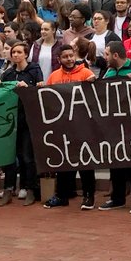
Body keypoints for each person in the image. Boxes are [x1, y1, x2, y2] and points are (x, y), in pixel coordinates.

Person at [95, 41, 131, 213]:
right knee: (115, 160)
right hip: (113, 124)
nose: (104, 58)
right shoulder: (109, 72)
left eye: (106, 54)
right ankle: (117, 198)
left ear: (115, 55)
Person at [43, 45, 98, 210]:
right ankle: (61, 196)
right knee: (63, 162)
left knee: (85, 162)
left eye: (71, 55)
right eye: (65, 56)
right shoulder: (53, 77)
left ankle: (89, 196)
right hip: (63, 127)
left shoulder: (86, 74)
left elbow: (96, 98)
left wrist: (93, 83)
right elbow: (47, 100)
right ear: (59, 59)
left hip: (83, 127)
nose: (69, 59)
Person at [0, 42, 43, 206]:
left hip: (28, 119)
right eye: (13, 52)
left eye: (19, 52)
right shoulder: (8, 74)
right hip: (11, 120)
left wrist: (28, 88)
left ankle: (31, 189)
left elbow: (40, 91)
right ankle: (9, 188)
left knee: (28, 157)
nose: (15, 55)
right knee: (9, 156)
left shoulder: (35, 70)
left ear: (26, 54)